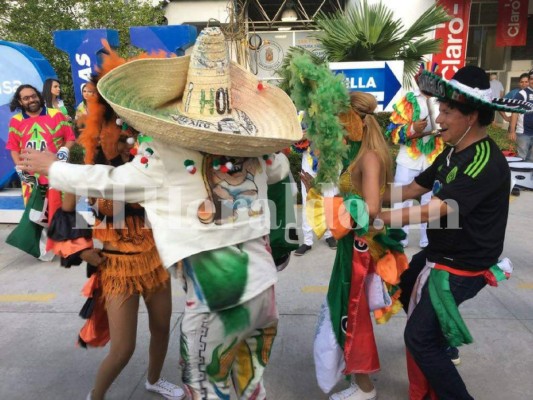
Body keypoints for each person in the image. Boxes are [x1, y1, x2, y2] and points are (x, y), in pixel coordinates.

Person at [19, 27, 301, 400]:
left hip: (217, 304)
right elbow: (284, 176)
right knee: (250, 386)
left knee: (206, 390)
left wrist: (49, 167)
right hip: (265, 293)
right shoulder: (259, 154)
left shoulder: (164, 158)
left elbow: (106, 181)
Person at [377, 66, 530, 400]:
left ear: (471, 116)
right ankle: (440, 341)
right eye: (440, 110)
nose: (439, 118)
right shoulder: (451, 152)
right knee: (403, 284)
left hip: (462, 266)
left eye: (447, 112)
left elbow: (437, 208)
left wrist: (378, 218)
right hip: (438, 255)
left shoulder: (484, 161)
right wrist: (365, 194)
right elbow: (413, 188)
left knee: (418, 338)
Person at [45, 59, 184, 400]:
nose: (125, 143)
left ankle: (153, 380)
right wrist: (81, 248)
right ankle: (96, 396)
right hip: (117, 264)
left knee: (162, 327)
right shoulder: (89, 159)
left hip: (153, 257)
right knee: (123, 348)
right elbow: (65, 209)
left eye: (129, 136)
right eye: (120, 138)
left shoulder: (148, 150)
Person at [303, 92, 408, 400]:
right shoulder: (354, 153)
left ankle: (364, 386)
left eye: (338, 119)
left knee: (353, 312)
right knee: (350, 310)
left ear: (352, 119)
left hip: (363, 248)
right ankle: (357, 375)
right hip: (354, 244)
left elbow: (372, 207)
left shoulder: (370, 156)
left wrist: (331, 204)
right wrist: (319, 193)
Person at [5, 84, 76, 260]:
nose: (31, 100)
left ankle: (65, 246)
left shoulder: (56, 114)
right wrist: (19, 168)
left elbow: (70, 138)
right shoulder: (16, 121)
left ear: (38, 96)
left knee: (61, 210)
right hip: (31, 178)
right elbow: (13, 147)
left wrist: (65, 150)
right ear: (20, 101)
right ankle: (44, 248)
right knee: (37, 214)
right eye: (26, 98)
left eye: (33, 96)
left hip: (56, 173)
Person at [386, 68, 444, 248]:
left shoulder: (444, 101)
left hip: (433, 159)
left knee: (431, 201)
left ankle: (428, 240)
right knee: (401, 199)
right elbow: (392, 133)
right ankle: (399, 238)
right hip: (408, 160)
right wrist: (412, 129)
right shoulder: (407, 101)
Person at [295, 137, 337, 256]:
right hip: (308, 161)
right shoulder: (302, 118)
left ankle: (329, 235)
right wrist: (304, 136)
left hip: (328, 160)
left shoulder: (331, 117)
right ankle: (307, 241)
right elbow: (296, 136)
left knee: (328, 198)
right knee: (308, 199)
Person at [509, 69, 533, 161]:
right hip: (523, 133)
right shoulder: (522, 94)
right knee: (521, 159)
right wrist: (512, 131)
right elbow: (515, 112)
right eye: (531, 79)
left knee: (531, 160)